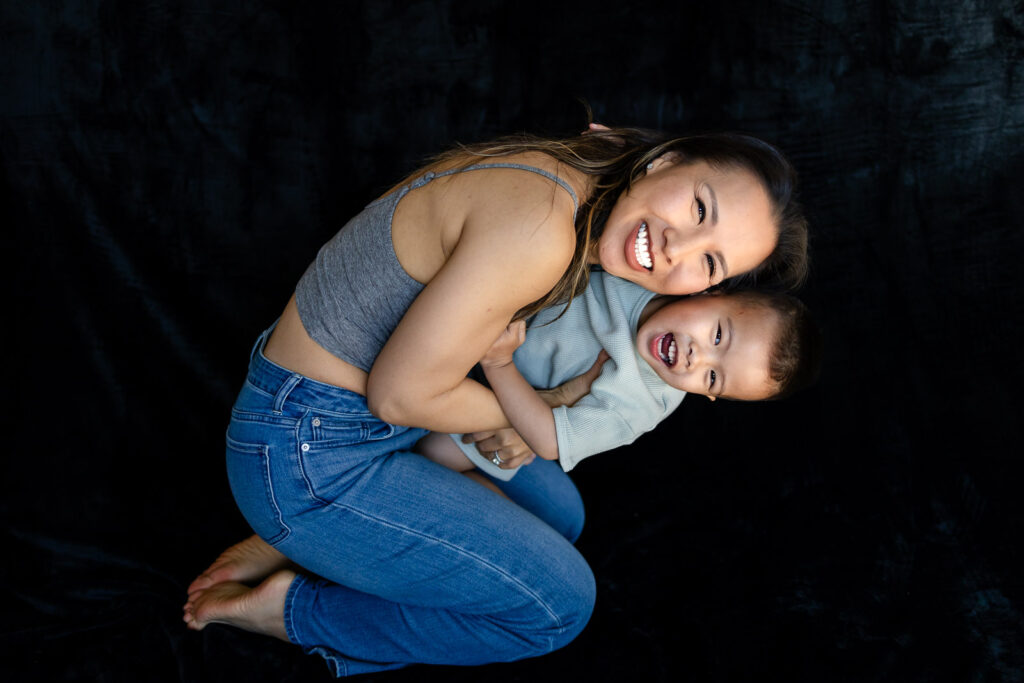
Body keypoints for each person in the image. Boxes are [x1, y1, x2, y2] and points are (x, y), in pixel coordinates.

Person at [182, 125, 809, 675]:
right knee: (558, 610)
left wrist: (539, 413)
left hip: (340, 419)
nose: (678, 250)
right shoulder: (542, 232)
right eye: (700, 208)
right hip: (307, 448)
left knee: (562, 519)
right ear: (664, 162)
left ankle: (308, 539)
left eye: (710, 262)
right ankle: (294, 608)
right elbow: (400, 395)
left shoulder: (579, 178)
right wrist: (524, 416)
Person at [419, 271, 821, 480]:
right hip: (488, 316)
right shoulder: (644, 278)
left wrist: (499, 364)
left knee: (439, 452)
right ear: (712, 293)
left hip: (501, 382)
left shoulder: (640, 405)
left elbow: (547, 440)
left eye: (713, 378)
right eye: (718, 334)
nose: (697, 359)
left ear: (710, 397)